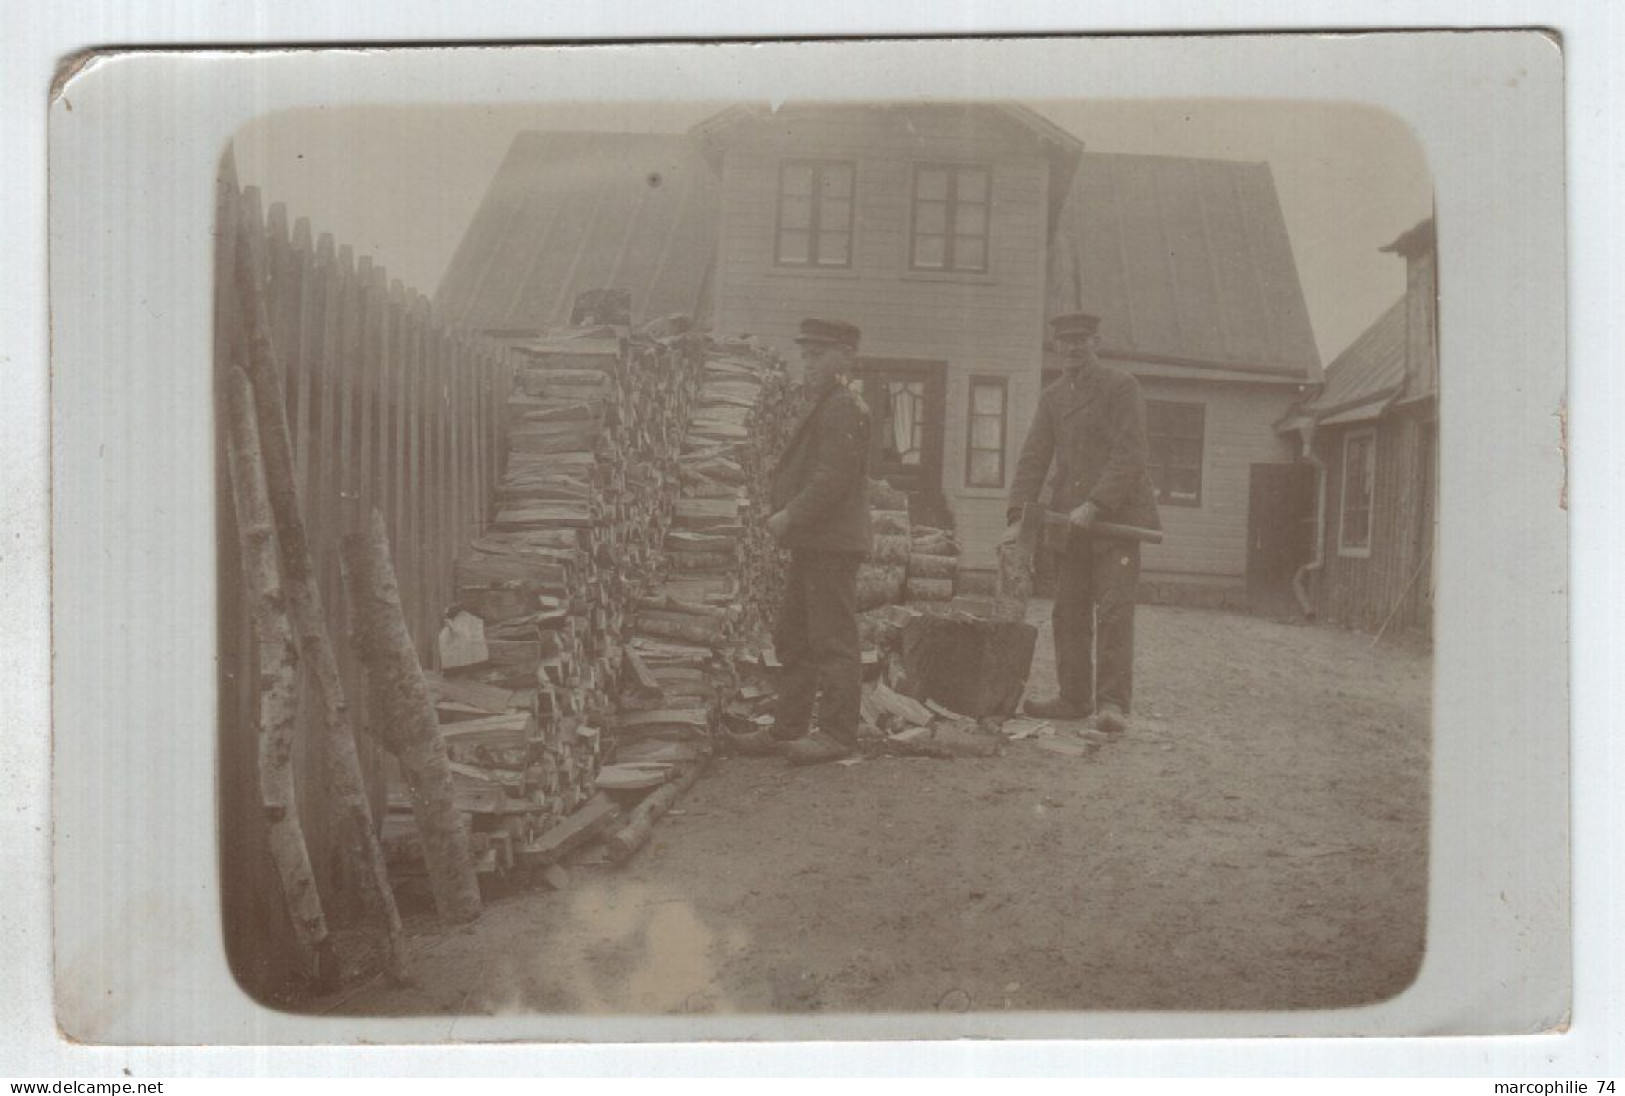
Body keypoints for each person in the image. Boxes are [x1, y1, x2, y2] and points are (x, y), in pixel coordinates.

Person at [1006, 312, 1161, 733]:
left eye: (1082, 339)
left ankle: (1112, 704)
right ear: (1056, 346)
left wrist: (1096, 503)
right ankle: (1073, 698)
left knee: (1112, 611)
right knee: (1068, 611)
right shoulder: (1053, 397)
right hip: (1070, 523)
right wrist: (1018, 515)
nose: (1073, 347)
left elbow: (1130, 454)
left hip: (1116, 521)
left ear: (1097, 343)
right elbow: (1034, 456)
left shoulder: (1120, 387)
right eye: (1065, 341)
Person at [751, 318, 873, 765]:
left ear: (846, 355)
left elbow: (833, 478)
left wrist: (790, 514)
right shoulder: (826, 402)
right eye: (805, 354)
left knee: (832, 640)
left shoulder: (843, 406)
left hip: (832, 543)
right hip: (816, 541)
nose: (808, 362)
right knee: (794, 636)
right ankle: (788, 729)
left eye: (817, 354)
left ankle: (838, 735)